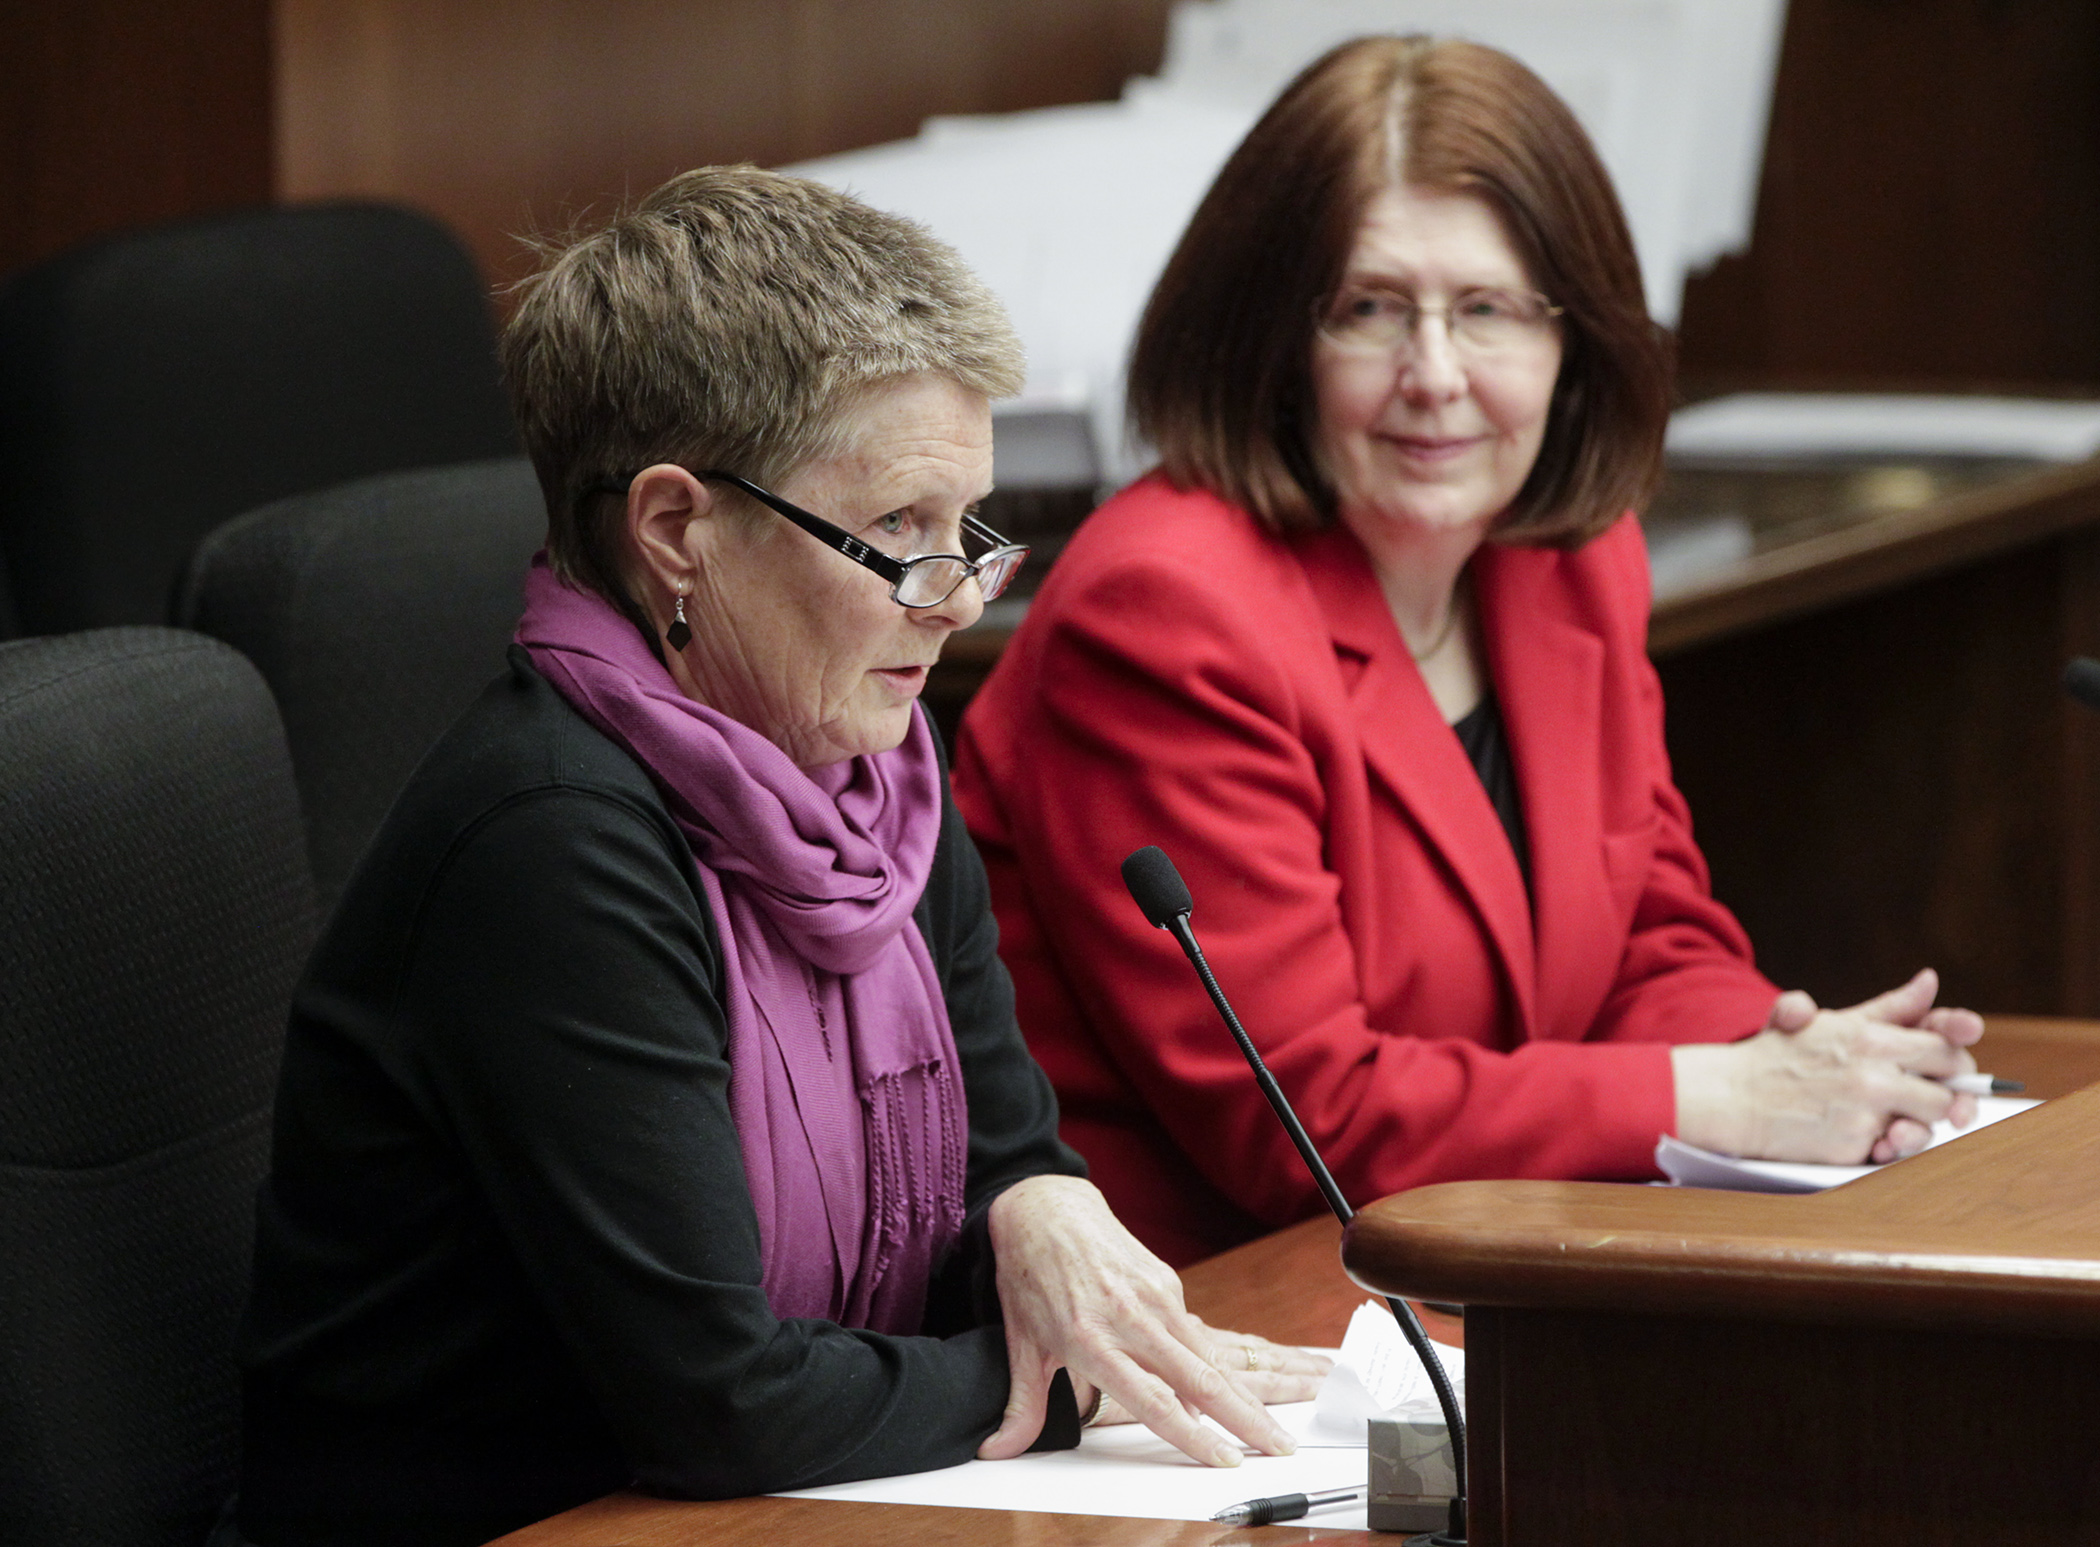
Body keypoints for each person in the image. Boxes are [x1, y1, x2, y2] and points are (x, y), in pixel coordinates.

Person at [225, 167, 1323, 1547]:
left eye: (970, 531)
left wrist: (1043, 1202)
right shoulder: (556, 844)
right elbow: (718, 1398)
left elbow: (1006, 1141)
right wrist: (1071, 1386)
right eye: (899, 534)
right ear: (678, 531)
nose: (956, 599)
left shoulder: (879, 781)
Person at [952, 37, 1985, 1269]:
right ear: (1274, 339)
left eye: (1487, 310)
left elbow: (1650, 939)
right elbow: (1309, 1125)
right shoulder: (1166, 612)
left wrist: (1811, 1059)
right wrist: (1718, 1098)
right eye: (1370, 309)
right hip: (1203, 1327)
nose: (1433, 376)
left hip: (1473, 1269)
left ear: (1574, 340)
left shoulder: (1568, 558)